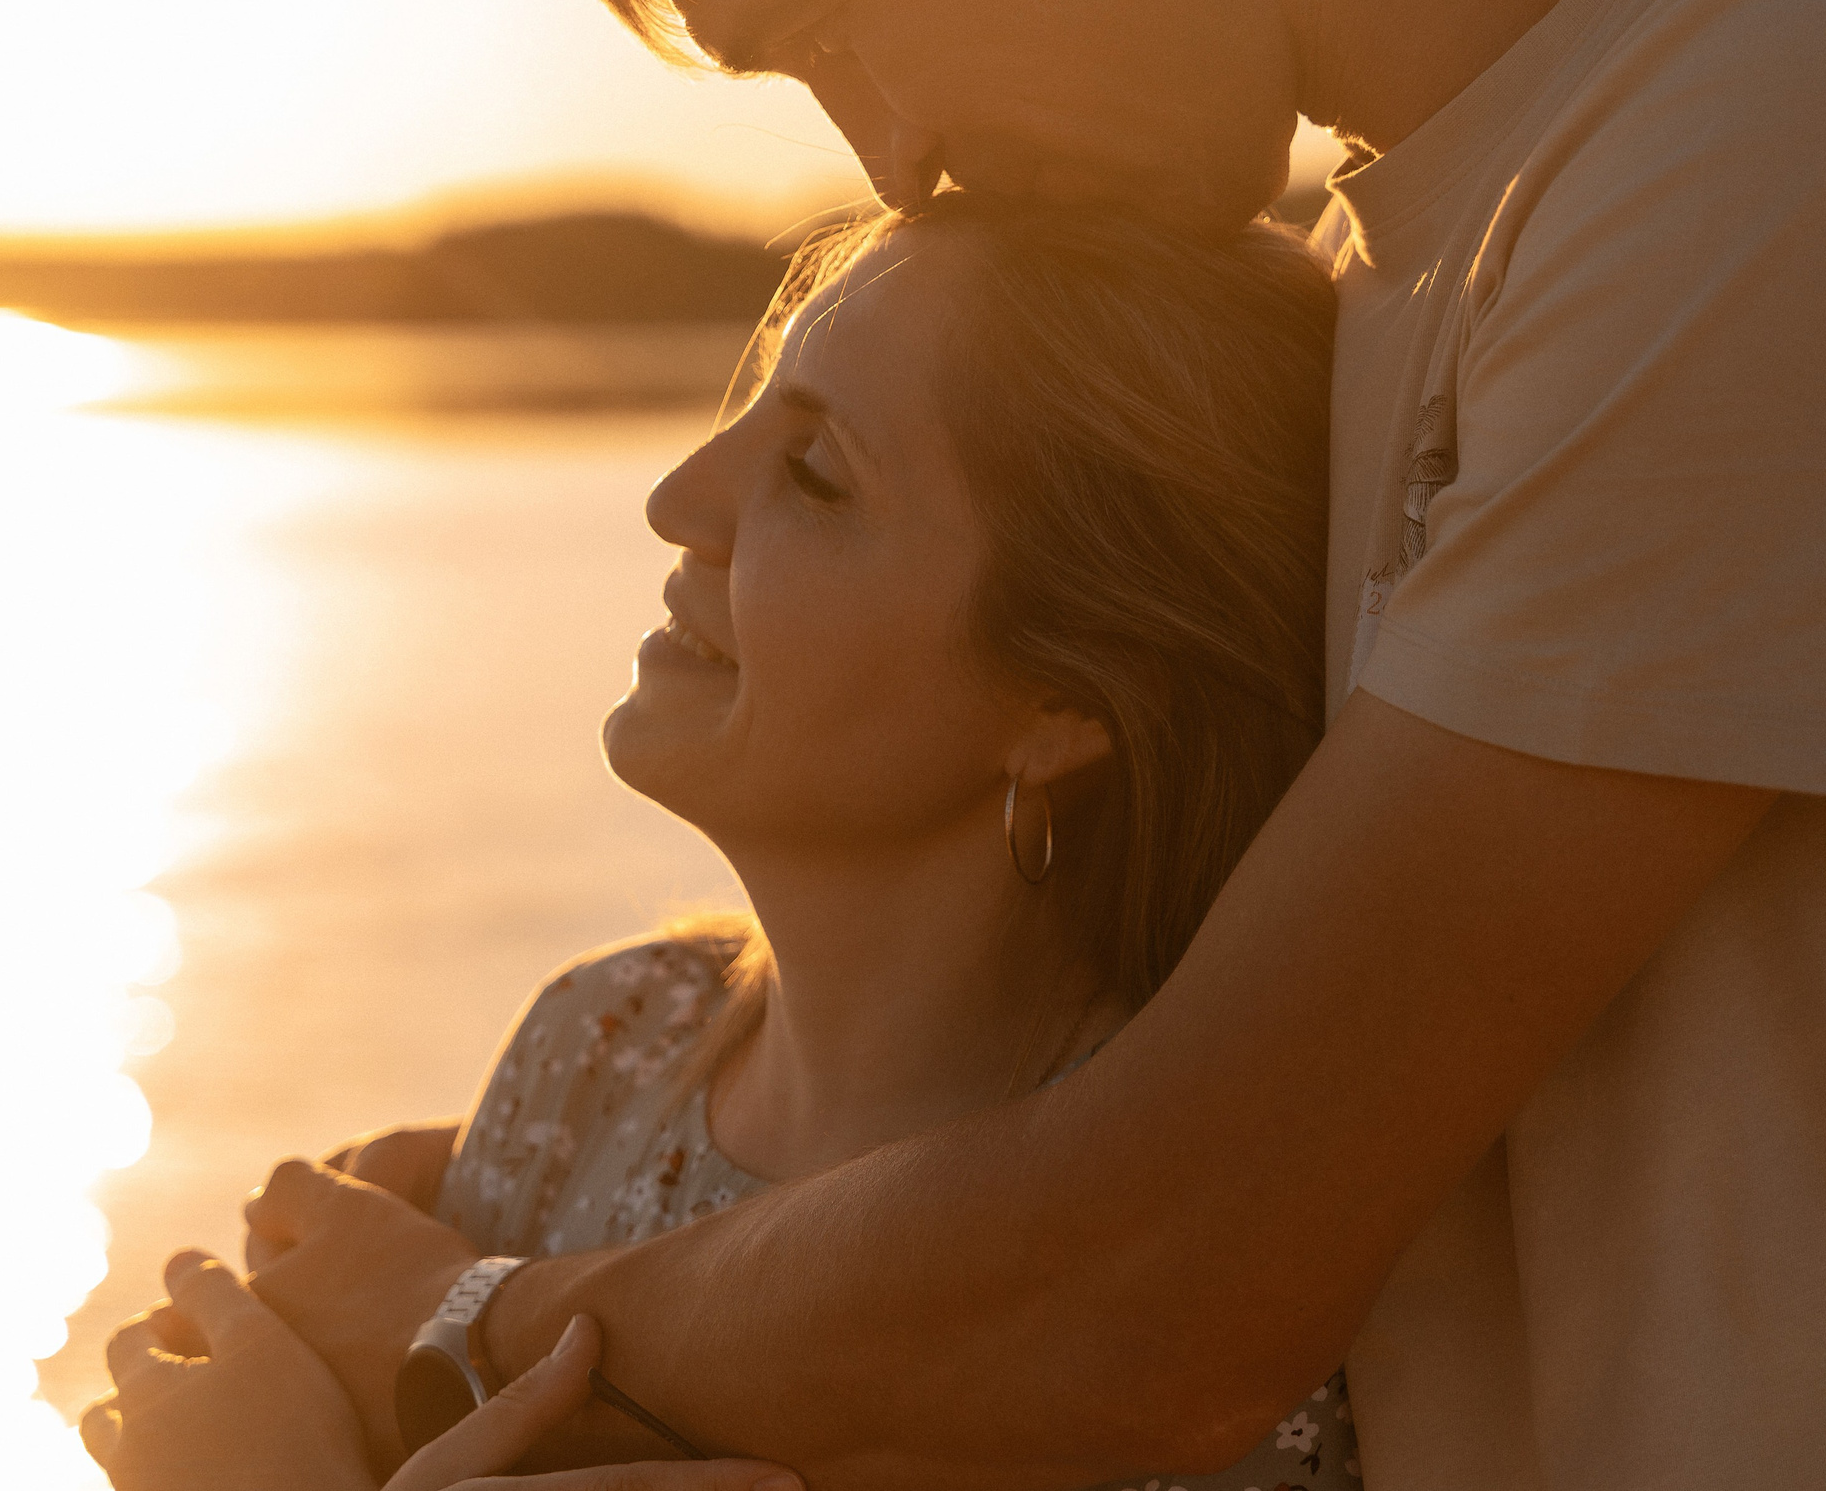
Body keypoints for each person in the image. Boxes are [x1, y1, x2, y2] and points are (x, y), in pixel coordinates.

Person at [118, 0, 1826, 1485]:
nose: (893, 154)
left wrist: (459, 1329)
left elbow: (1152, 1289)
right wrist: (589, 1169)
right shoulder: (1429, 253)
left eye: (836, 18)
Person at [92, 194, 1355, 1488]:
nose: (678, 494)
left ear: (1064, 702)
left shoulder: (1193, 1280)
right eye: (744, 408)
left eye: (814, 473)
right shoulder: (595, 1052)